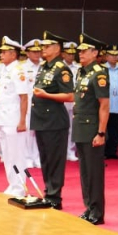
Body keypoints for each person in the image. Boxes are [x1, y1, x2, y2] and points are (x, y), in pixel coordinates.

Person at [31, 31, 74, 210]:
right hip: (41, 119)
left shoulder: (62, 69)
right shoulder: (44, 67)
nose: (43, 49)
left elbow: (70, 96)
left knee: (55, 159)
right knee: (45, 159)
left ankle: (55, 196)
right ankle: (48, 190)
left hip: (55, 121)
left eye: (47, 46)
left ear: (57, 49)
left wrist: (46, 94)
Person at [72, 34, 110, 225]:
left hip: (92, 128)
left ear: (95, 53)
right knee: (85, 172)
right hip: (80, 127)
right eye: (79, 51)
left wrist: (101, 132)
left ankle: (97, 211)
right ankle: (89, 207)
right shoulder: (82, 72)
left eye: (84, 50)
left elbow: (104, 105)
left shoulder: (99, 73)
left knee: (94, 173)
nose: (80, 53)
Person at [0, 36, 30, 196]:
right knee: (7, 154)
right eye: (1, 52)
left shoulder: (18, 71)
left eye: (5, 52)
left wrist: (22, 121)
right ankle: (12, 184)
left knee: (17, 154)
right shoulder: (4, 71)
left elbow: (24, 97)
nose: (1, 55)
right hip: (3, 118)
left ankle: (20, 187)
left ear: (13, 55)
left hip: (14, 120)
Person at [21, 38, 42, 169]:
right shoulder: (22, 67)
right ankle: (27, 157)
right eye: (33, 52)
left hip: (42, 104)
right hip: (27, 104)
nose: (36, 54)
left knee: (39, 131)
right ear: (27, 53)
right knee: (28, 132)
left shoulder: (45, 66)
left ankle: (37, 157)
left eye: (38, 51)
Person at [61, 41, 80, 162]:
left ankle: (71, 150)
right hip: (62, 100)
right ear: (63, 54)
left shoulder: (78, 67)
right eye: (68, 53)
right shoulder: (59, 67)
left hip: (74, 101)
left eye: (73, 54)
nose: (71, 56)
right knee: (62, 128)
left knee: (73, 128)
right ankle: (62, 151)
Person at [103, 44, 118, 159]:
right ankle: (104, 151)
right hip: (106, 103)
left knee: (115, 128)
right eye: (112, 55)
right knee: (104, 128)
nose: (115, 57)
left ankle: (112, 151)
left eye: (116, 55)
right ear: (106, 56)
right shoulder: (102, 69)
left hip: (117, 103)